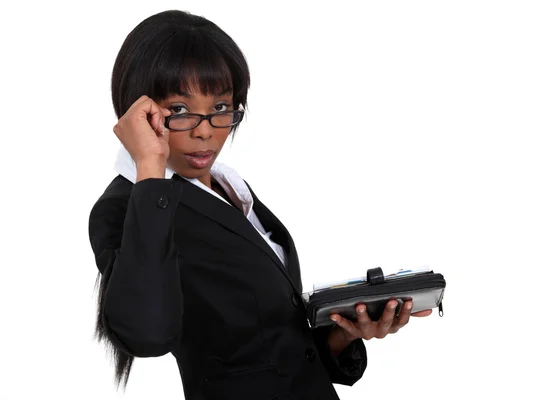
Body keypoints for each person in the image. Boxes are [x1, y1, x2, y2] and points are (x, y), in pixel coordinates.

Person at [88, 9, 432, 400]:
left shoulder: (229, 185)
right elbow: (146, 334)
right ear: (138, 110)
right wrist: (148, 166)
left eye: (221, 107)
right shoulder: (128, 204)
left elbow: (267, 347)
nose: (205, 131)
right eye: (179, 110)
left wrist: (343, 332)